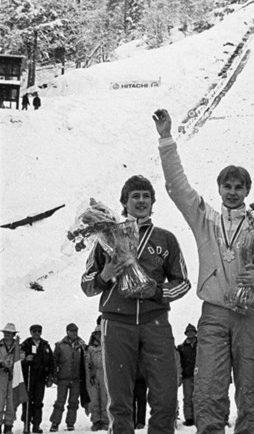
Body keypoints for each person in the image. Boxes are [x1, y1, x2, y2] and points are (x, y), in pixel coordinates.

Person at [154, 109, 254, 434]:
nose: (233, 192)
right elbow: (177, 187)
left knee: (251, 393)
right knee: (208, 389)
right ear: (219, 188)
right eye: (227, 186)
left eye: (239, 187)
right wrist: (166, 138)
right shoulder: (205, 220)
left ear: (247, 190)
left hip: (252, 314)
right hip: (213, 313)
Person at [80, 174, 191, 434]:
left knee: (165, 399)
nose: (141, 201)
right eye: (135, 196)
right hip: (117, 323)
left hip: (155, 323)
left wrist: (156, 290)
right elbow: (86, 284)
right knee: (119, 402)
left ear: (153, 202)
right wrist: (105, 276)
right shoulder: (106, 237)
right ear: (124, 203)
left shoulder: (166, 239)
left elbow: (183, 283)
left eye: (146, 196)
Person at [48, 323, 87, 432]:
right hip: (63, 378)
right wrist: (54, 376)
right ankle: (55, 423)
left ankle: (70, 423)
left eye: (76, 331)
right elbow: (54, 362)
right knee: (60, 402)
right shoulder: (60, 345)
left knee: (74, 402)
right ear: (67, 332)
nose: (75, 333)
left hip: (76, 379)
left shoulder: (82, 345)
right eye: (72, 331)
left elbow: (86, 361)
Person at [21, 324, 54, 434]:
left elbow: (51, 362)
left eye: (39, 331)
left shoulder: (45, 345)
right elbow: (19, 361)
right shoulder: (25, 344)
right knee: (27, 401)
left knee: (38, 402)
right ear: (30, 332)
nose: (37, 333)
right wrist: (26, 359)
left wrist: (50, 376)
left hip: (40, 378)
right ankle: (26, 425)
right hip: (29, 377)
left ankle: (36, 425)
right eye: (34, 331)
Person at [85, 327, 107, 431]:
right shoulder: (89, 348)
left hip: (104, 374)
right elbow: (87, 361)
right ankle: (96, 421)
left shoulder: (107, 346)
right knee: (94, 399)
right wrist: (91, 372)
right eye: (97, 333)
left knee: (105, 398)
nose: (98, 335)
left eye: (100, 333)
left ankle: (105, 420)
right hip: (93, 375)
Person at [1, 324, 21, 434]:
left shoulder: (18, 346)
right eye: (5, 333)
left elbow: (21, 359)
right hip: (1, 376)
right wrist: (2, 363)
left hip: (14, 377)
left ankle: (8, 426)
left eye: (9, 333)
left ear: (13, 334)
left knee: (11, 402)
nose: (7, 335)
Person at [176, 324, 197, 427]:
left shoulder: (202, 345)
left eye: (192, 331)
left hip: (200, 375)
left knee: (199, 397)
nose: (190, 333)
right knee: (188, 397)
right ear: (186, 334)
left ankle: (199, 416)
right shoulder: (181, 348)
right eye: (188, 332)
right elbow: (178, 362)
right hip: (187, 375)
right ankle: (189, 418)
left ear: (195, 332)